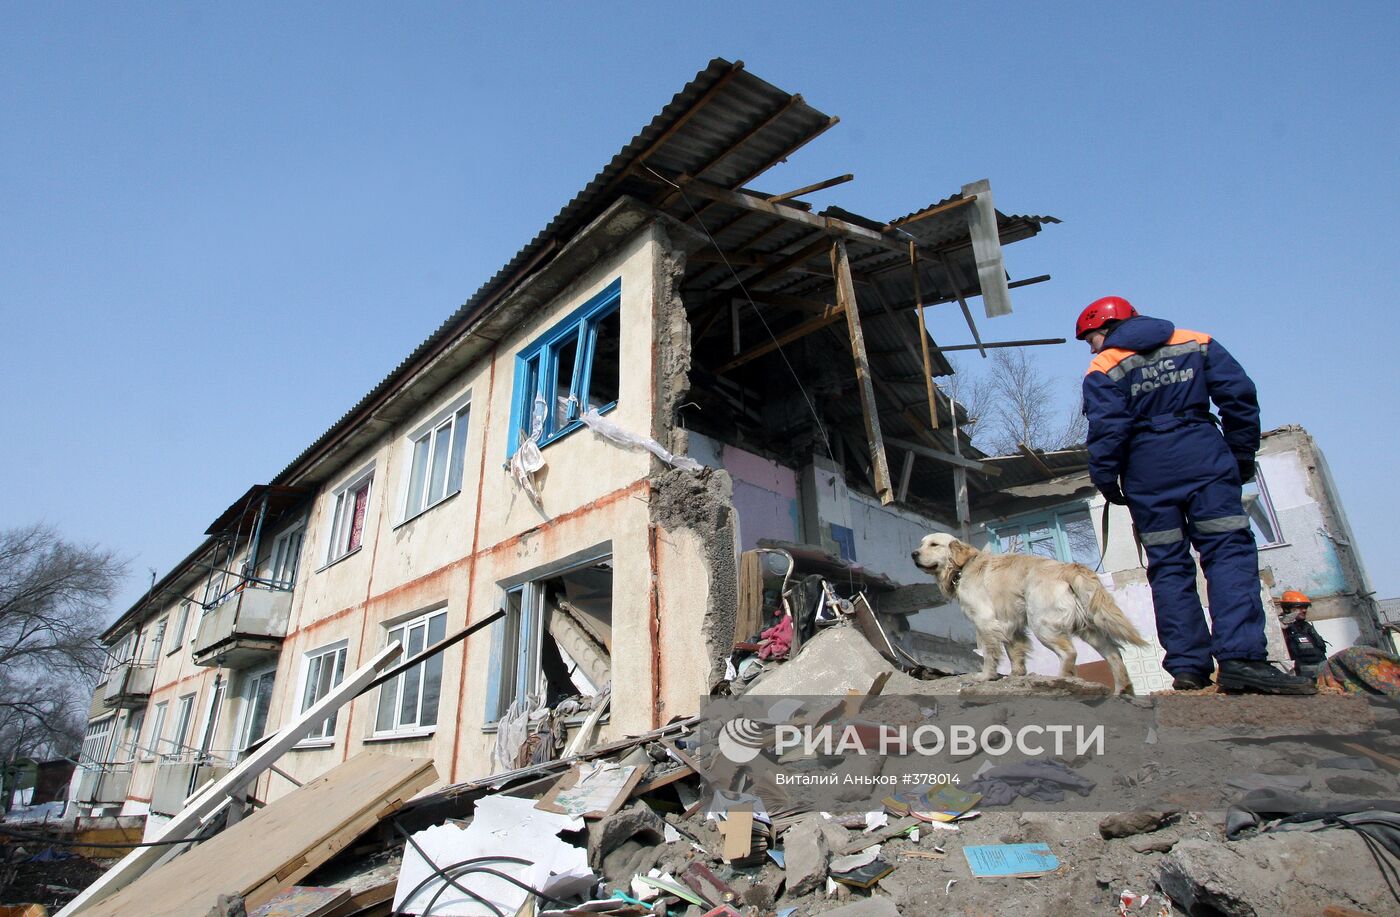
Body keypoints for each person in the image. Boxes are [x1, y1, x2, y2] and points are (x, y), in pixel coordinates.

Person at [1077, 296, 1315, 695]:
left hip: (1147, 471)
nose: (1092, 348)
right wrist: (1240, 456)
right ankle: (1241, 660)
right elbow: (1239, 398)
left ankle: (1188, 668)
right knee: (1228, 556)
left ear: (1104, 327)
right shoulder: (1198, 342)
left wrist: (1106, 479)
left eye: (1091, 339)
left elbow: (1107, 430)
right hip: (1204, 457)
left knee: (1168, 567)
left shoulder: (1103, 366)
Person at [1277, 590, 1329, 678]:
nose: (1304, 610)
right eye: (1299, 607)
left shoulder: (1307, 627)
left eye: (1305, 607)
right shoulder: (1282, 628)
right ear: (1287, 609)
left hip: (1321, 675)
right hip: (1300, 678)